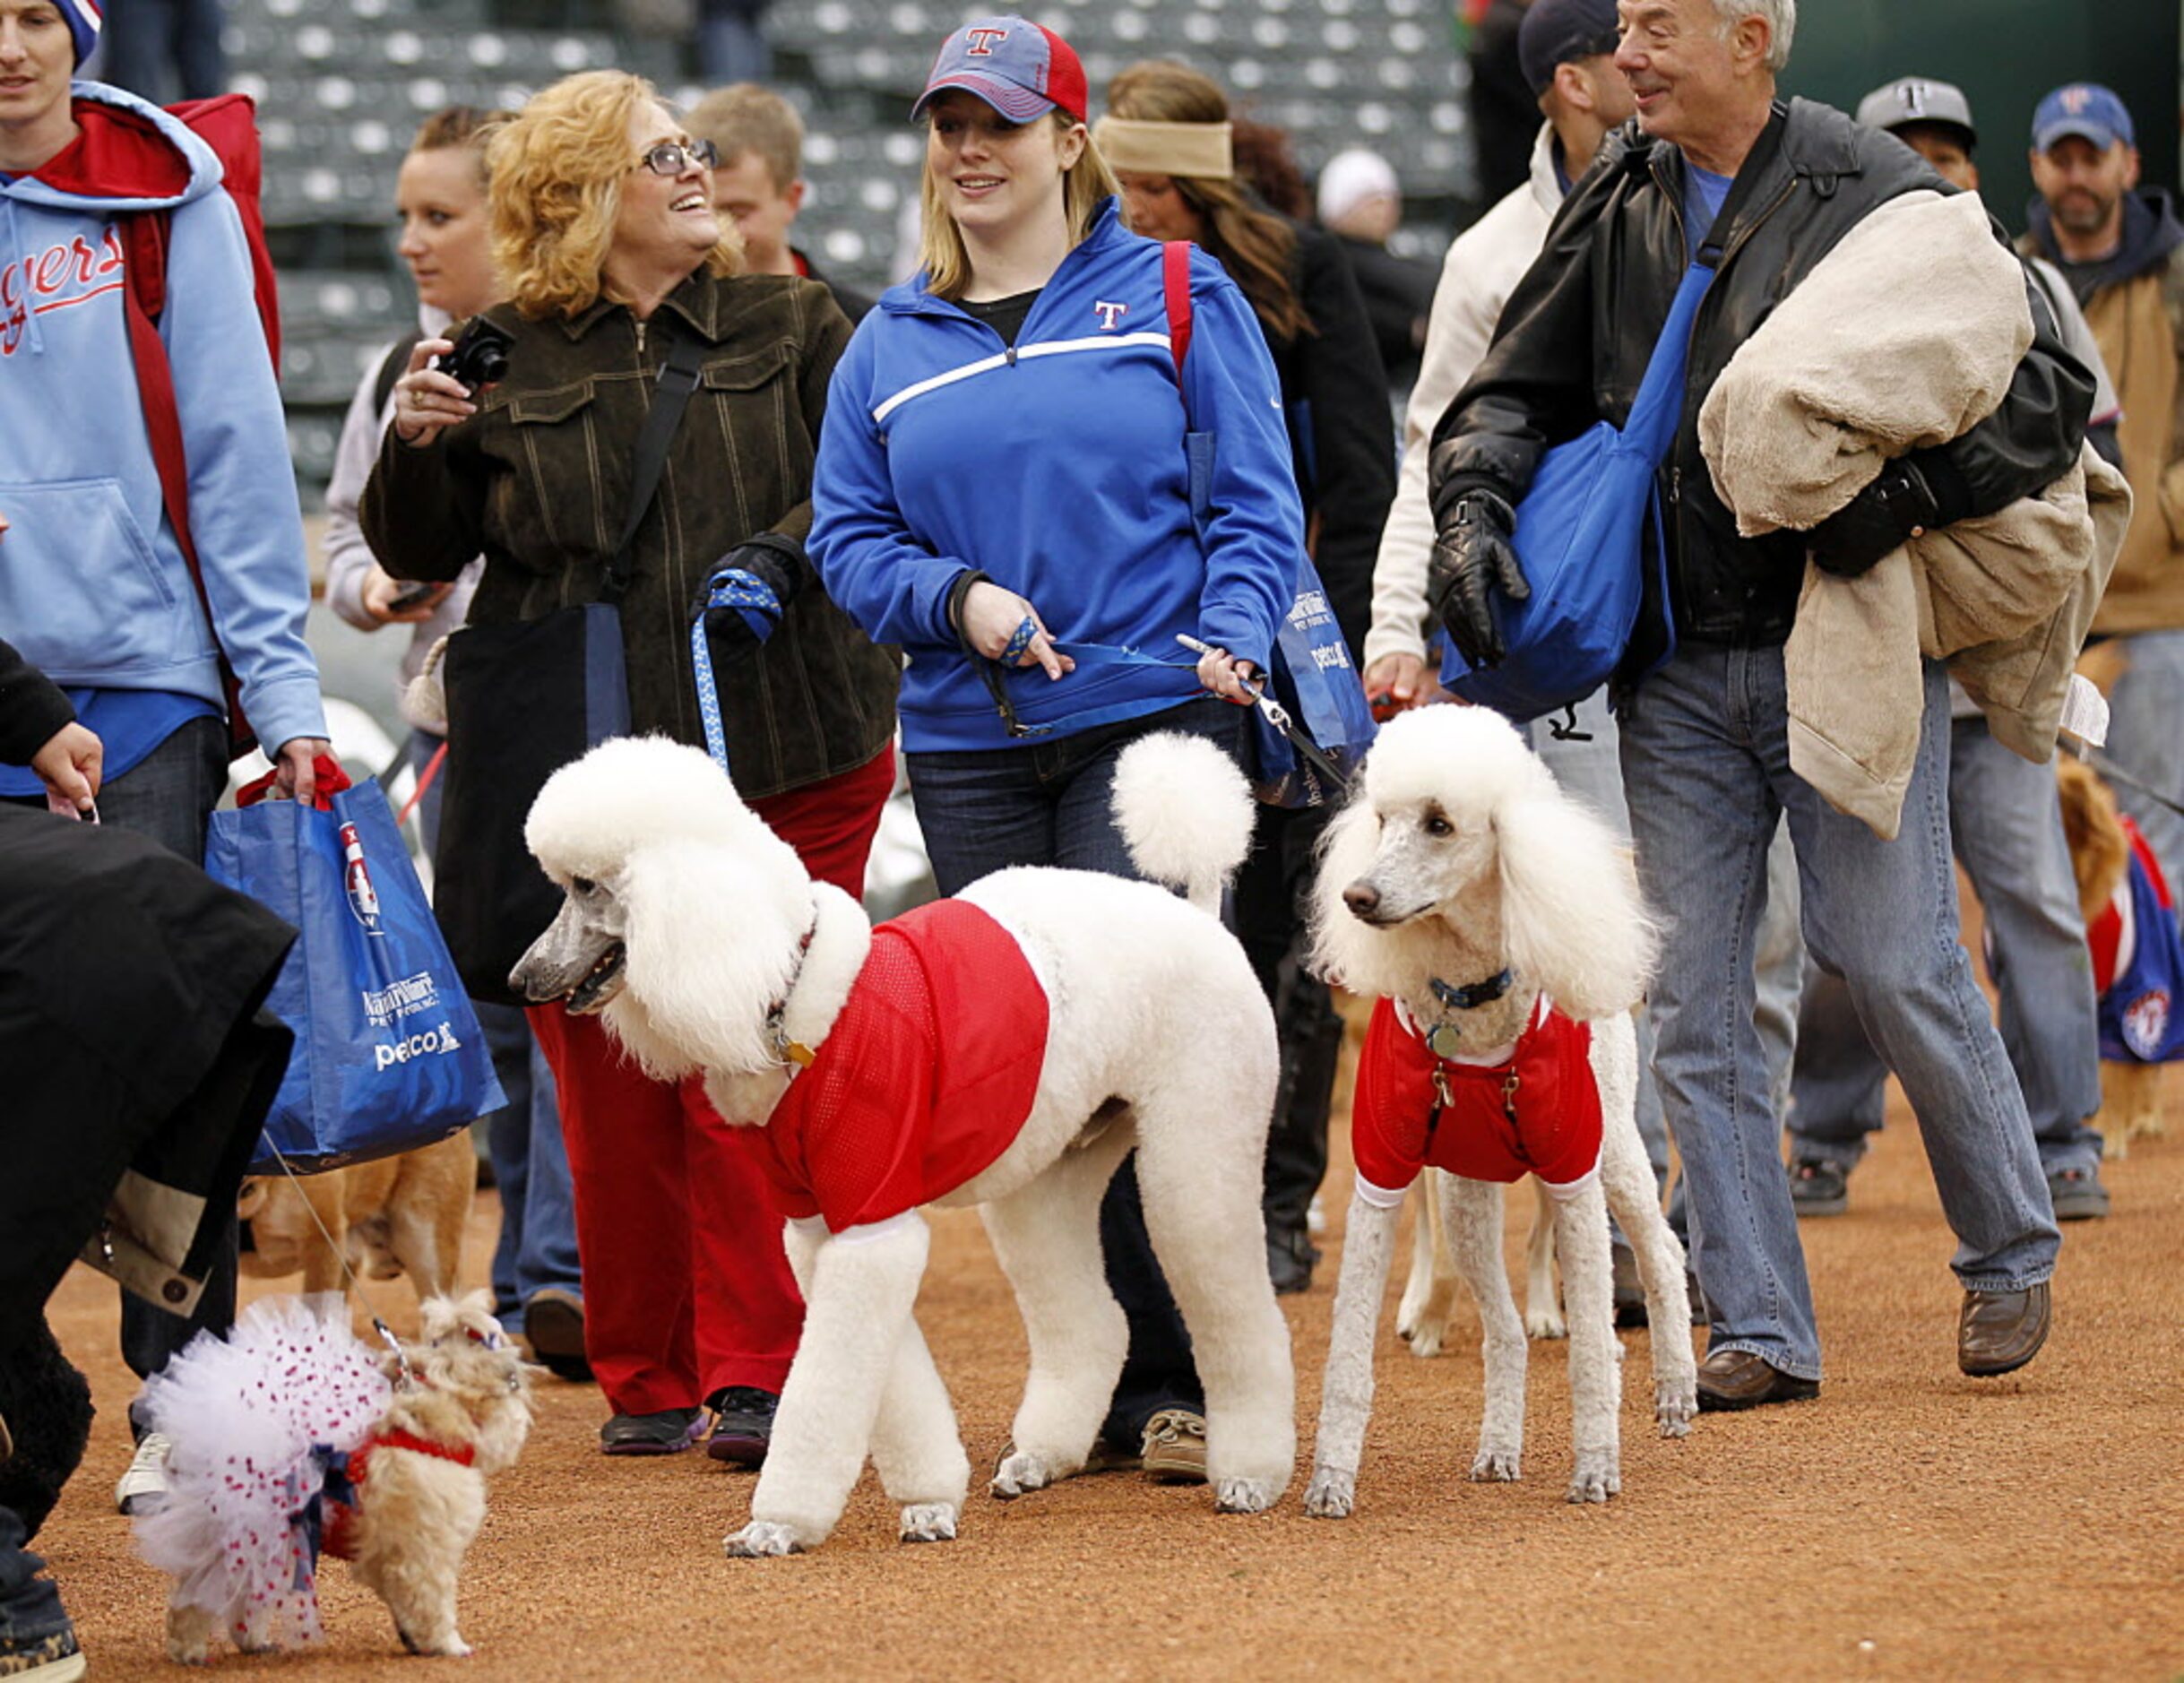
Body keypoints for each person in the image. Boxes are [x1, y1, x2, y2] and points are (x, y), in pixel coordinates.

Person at [1428, 0, 2093, 1404]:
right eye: (1622, 26)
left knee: (1891, 956)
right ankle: (1759, 1326)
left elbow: (2044, 387)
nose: (1633, 51)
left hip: (1838, 639)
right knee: (1691, 1003)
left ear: (1751, 38)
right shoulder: (1620, 189)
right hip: (1670, 663)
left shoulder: (1879, 187)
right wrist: (1473, 505)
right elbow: (1508, 391)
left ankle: (2008, 1247)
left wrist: (1907, 495)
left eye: (1661, 25)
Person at [362, 69, 900, 1462]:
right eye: (661, 152)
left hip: (783, 737)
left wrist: (775, 556)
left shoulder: (795, 320)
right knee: (605, 1064)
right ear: (581, 195)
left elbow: (857, 484)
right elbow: (422, 551)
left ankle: (754, 1364)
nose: (694, 168)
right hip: (587, 765)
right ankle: (646, 1363)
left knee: (742, 1042)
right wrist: (418, 449)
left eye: (695, 148)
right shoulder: (496, 349)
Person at [809, 18, 1299, 1476]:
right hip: (966, 743)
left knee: (1145, 1053)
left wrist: (1231, 622)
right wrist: (950, 597)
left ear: (1069, 141)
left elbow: (1256, 504)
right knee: (1025, 1079)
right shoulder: (887, 340)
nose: (968, 150)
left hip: (1148, 727)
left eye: (999, 125)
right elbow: (845, 534)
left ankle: (1177, 1378)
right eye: (948, 125)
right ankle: (1089, 1371)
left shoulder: (1171, 287)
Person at [0, 0, 332, 1513]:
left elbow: (234, 444)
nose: (7, 47)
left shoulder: (162, 193)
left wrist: (282, 689)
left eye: (30, 15)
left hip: (140, 684)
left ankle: (186, 1404)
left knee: (159, 1061)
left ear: (80, 32)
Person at [1786, 77, 2119, 1223]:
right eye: (1904, 149)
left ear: (1977, 166)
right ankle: (1824, 1132)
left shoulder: (2032, 289)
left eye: (1948, 149)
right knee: (1845, 931)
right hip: (1873, 660)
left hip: (1998, 672)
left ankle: (2063, 1133)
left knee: (2031, 898)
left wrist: (2066, 649)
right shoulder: (1826, 291)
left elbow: (2085, 477)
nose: (1931, 165)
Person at [1098, 59, 1396, 1298]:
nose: (1137, 210)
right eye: (1123, 187)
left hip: (1291, 655)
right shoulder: (1097, 287)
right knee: (1168, 936)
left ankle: (1277, 1204)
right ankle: (1171, 1205)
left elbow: (1363, 477)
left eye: (1157, 188)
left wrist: (1344, 658)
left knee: (1283, 937)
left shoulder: (1306, 275)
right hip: (1152, 650)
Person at [320, 106, 591, 1374]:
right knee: (490, 1004)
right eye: (405, 218)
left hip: (568, 726)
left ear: (518, 214)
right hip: (449, 732)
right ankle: (544, 1270)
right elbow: (336, 545)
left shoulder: (568, 362)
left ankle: (565, 1272)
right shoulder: (392, 372)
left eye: (443, 215)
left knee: (572, 1005)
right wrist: (376, 590)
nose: (416, 241)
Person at [0, 637, 297, 1683]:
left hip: (89, 951)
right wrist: (31, 715)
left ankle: (12, 1604)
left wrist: (28, 714)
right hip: (164, 937)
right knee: (39, 1378)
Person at [2017, 82, 2184, 887]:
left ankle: (2166, 1015)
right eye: (2062, 157)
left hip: (2157, 616)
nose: (2076, 175)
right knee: (2054, 860)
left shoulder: (2175, 280)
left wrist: (2162, 513)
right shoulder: (2009, 274)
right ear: (2036, 167)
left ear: (2129, 164)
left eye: (2093, 156)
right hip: (2039, 625)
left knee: (2157, 853)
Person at [685, 82, 875, 323]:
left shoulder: (860, 330)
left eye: (736, 214)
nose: (714, 231)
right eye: (695, 208)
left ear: (791, 200)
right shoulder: (656, 323)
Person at [1314, 147, 1436, 389]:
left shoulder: (1403, 263)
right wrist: (1409, 330)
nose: (1383, 209)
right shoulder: (1327, 264)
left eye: (1389, 199)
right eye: (1368, 200)